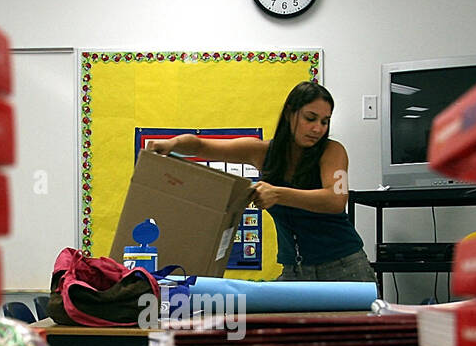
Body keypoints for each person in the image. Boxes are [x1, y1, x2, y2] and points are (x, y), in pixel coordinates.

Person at [147, 82, 375, 282]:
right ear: (289, 114)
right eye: (310, 118)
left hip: (346, 268)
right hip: (294, 272)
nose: (318, 129)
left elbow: (336, 200)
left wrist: (278, 194)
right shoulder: (262, 152)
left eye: (325, 122)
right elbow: (200, 146)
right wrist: (172, 143)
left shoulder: (333, 151)